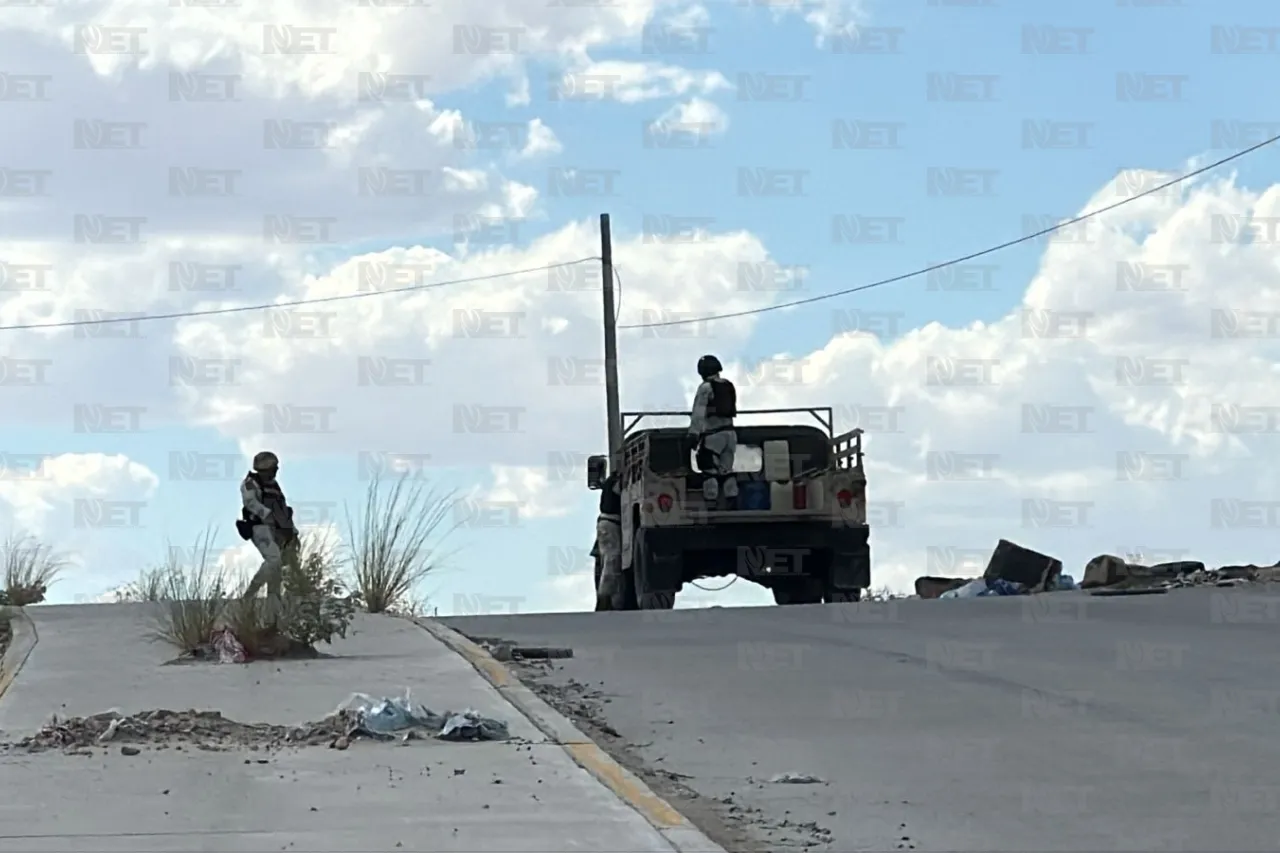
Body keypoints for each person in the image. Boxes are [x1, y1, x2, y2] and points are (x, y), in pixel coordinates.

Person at [236, 451, 300, 617]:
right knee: (273, 559)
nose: (275, 471)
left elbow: (283, 509)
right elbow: (250, 502)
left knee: (277, 572)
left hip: (278, 530)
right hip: (260, 527)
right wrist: (266, 514)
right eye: (273, 468)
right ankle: (249, 595)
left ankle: (273, 610)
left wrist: (292, 531)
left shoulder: (274, 486)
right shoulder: (251, 483)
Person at [689, 354, 738, 509]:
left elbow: (698, 413)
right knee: (726, 471)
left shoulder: (705, 388)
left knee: (708, 468)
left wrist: (693, 435)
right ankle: (732, 500)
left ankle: (711, 504)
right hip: (731, 435)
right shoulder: (728, 385)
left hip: (713, 434)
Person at [595, 467, 624, 611]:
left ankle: (606, 600)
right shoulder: (615, 483)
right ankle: (605, 600)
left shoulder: (610, 482)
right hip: (611, 525)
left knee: (609, 561)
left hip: (607, 524)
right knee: (611, 561)